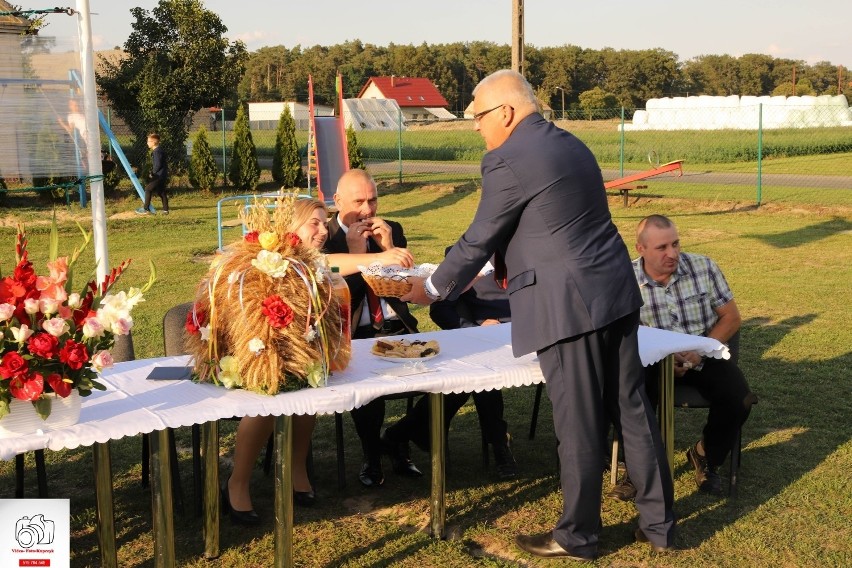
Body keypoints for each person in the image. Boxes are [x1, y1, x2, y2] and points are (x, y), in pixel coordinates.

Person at [402, 69, 675, 560]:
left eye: (478, 116)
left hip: (568, 304)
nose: (475, 127)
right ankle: (659, 524)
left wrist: (432, 288)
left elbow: (479, 236)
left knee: (578, 423)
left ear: (505, 111)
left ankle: (579, 536)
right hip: (613, 290)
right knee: (632, 410)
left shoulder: (506, 158)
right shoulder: (570, 144)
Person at [223, 197, 414, 524]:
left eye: (325, 224)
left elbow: (327, 270)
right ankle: (237, 484)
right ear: (291, 226)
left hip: (301, 351)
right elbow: (328, 265)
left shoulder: (308, 258)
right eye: (315, 223)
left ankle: (297, 468)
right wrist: (380, 256)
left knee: (308, 400)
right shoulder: (268, 256)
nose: (323, 231)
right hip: (257, 349)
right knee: (266, 403)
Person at [610, 214, 758, 498]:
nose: (672, 253)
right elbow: (622, 333)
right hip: (651, 358)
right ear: (640, 249)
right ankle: (636, 470)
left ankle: (705, 455)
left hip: (704, 351)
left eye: (676, 244)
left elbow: (731, 318)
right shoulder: (624, 279)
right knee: (629, 394)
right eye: (662, 248)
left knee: (739, 398)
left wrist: (700, 350)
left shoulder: (703, 267)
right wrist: (664, 359)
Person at [325, 169, 423, 488]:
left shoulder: (391, 229)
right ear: (338, 201)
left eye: (373, 199)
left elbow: (402, 289)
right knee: (368, 386)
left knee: (456, 380)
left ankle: (397, 436)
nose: (368, 210)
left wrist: (388, 249)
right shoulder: (324, 239)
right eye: (359, 202)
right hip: (355, 333)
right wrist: (357, 257)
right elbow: (338, 302)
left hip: (396, 328)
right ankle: (372, 454)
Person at [382, 250, 518, 479]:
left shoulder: (532, 251)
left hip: (526, 336)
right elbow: (441, 308)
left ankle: (400, 433)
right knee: (480, 376)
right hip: (482, 341)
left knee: (469, 380)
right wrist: (475, 329)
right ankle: (499, 444)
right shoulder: (467, 255)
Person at [136, 133, 169, 215]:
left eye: (148, 141)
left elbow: (158, 164)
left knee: (148, 189)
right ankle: (165, 210)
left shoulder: (156, 152)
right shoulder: (159, 150)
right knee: (161, 192)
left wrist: (152, 173)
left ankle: (145, 209)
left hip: (158, 176)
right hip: (162, 175)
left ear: (154, 142)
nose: (147, 143)